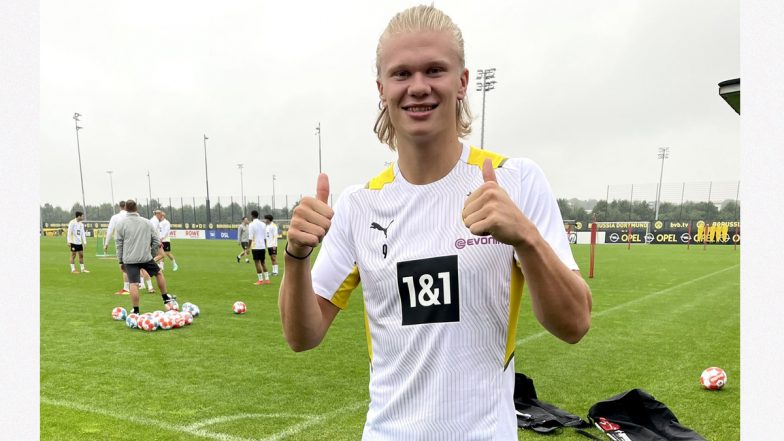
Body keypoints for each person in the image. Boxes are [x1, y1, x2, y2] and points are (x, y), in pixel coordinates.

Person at [279, 5, 592, 440]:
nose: (418, 87)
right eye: (402, 74)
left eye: (435, 70)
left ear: (462, 81)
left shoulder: (515, 181)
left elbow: (575, 325)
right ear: (382, 88)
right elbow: (302, 336)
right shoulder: (359, 205)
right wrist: (296, 258)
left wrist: (525, 238)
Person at [115, 199, 176, 314]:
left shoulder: (121, 224)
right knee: (158, 273)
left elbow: (119, 244)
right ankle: (165, 298)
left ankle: (136, 310)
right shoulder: (147, 222)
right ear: (136, 208)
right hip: (145, 257)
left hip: (129, 259)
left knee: (133, 283)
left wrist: (120, 261)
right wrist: (151, 254)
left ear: (126, 209)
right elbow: (156, 241)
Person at [105, 200, 130, 294]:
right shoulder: (131, 216)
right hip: (132, 242)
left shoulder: (115, 217)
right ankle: (139, 283)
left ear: (119, 207)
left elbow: (110, 230)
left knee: (123, 265)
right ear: (126, 206)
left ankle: (126, 288)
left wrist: (106, 243)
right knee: (133, 263)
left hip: (121, 243)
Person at [248, 210, 270, 285]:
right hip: (262, 246)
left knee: (257, 263)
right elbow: (264, 237)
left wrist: (248, 248)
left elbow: (250, 237)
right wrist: (264, 245)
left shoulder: (251, 225)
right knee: (263, 262)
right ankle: (267, 279)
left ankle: (260, 280)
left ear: (252, 215)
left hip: (255, 246)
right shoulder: (263, 224)